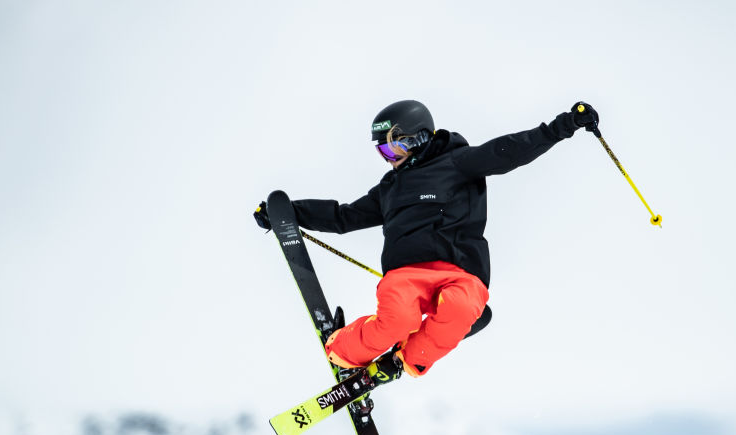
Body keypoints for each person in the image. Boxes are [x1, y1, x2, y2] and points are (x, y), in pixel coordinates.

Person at [255, 99, 600, 377]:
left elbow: (508, 151)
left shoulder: (458, 163)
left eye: (395, 149)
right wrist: (288, 213)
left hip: (461, 272)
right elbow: (345, 216)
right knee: (398, 319)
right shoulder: (390, 188)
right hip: (406, 274)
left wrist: (563, 126)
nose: (391, 160)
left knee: (462, 308)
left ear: (418, 138)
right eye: (384, 153)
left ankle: (405, 360)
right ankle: (342, 350)